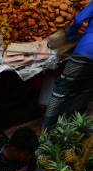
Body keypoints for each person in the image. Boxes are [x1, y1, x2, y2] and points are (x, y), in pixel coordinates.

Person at [43, 1, 93, 129]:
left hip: (87, 49)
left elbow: (78, 19)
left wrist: (71, 34)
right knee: (86, 88)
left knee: (62, 87)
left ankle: (48, 125)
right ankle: (74, 126)